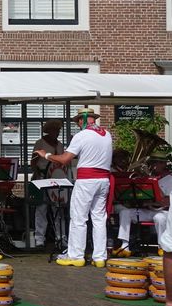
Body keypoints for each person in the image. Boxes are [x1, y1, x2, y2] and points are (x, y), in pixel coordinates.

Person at [37, 107, 112, 268]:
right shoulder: (107, 134)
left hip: (87, 180)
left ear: (81, 120)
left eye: (78, 121)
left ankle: (76, 255)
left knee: (79, 218)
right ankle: (99, 257)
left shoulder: (81, 135)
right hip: (104, 180)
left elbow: (64, 159)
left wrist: (47, 155)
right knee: (99, 219)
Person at [114, 154, 170, 257]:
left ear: (164, 164)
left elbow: (167, 201)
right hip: (147, 210)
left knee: (160, 218)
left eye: (157, 163)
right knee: (125, 212)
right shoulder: (146, 177)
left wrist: (153, 183)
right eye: (153, 163)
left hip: (162, 211)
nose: (154, 165)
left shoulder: (169, 179)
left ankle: (162, 247)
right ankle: (124, 246)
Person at [30, 119, 70, 248]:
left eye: (59, 130)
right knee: (41, 208)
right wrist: (37, 174)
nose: (58, 132)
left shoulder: (59, 145)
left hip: (56, 179)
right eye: (55, 130)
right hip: (41, 177)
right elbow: (33, 162)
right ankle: (39, 238)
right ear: (49, 130)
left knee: (58, 208)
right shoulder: (40, 143)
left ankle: (61, 237)